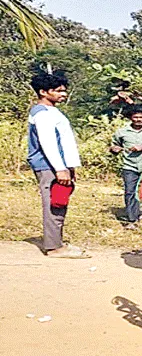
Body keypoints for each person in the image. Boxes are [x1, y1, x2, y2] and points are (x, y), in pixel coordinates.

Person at [26, 70, 88, 258]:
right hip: (49, 166)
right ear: (43, 92)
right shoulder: (42, 114)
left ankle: (57, 242)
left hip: (58, 166)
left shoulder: (52, 111)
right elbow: (48, 144)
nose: (63, 94)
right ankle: (54, 247)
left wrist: (70, 167)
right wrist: (60, 169)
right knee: (54, 203)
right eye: (58, 90)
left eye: (64, 90)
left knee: (60, 202)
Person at [109, 105, 142, 228]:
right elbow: (114, 146)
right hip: (129, 166)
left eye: (141, 117)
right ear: (130, 118)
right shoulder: (121, 132)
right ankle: (132, 219)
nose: (139, 120)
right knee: (130, 191)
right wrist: (114, 149)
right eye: (136, 117)